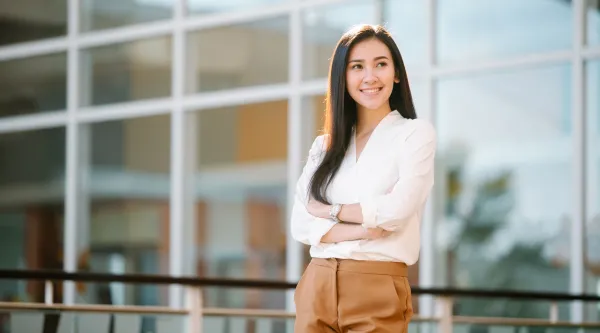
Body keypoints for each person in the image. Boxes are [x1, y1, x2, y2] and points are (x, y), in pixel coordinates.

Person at [290, 24, 436, 333]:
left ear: (396, 73)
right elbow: (300, 224)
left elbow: (397, 211)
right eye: (357, 67)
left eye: (380, 64)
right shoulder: (324, 147)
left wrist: (330, 212)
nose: (370, 77)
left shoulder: (414, 134)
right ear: (343, 77)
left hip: (377, 284)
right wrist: (366, 229)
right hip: (317, 282)